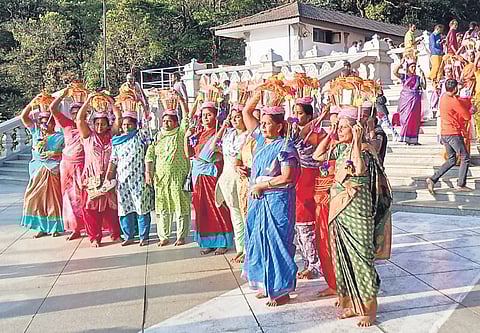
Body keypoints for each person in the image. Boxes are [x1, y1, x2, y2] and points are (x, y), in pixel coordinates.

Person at [312, 106, 392, 328]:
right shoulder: (339, 149)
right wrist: (330, 135)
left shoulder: (365, 150)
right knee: (343, 257)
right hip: (340, 209)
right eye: (337, 127)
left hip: (358, 210)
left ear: (355, 129)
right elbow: (317, 155)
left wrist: (357, 140)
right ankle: (349, 303)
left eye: (342, 128)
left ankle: (369, 309)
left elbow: (357, 170)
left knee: (362, 259)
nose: (338, 131)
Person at [241, 90, 299, 307]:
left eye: (267, 123)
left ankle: (281, 290)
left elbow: (287, 177)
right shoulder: (260, 140)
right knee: (258, 240)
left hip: (277, 201)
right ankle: (265, 283)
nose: (264, 127)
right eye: (262, 123)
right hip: (257, 200)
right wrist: (258, 92)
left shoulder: (286, 147)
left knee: (277, 243)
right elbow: (247, 111)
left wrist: (262, 185)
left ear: (280, 126)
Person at [185, 100, 233, 255]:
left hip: (212, 174)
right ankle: (207, 241)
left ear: (216, 116)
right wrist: (186, 138)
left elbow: (220, 153)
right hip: (198, 175)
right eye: (203, 115)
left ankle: (223, 241)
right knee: (201, 209)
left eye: (209, 114)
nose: (206, 118)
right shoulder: (198, 134)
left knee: (217, 206)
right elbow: (190, 155)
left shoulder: (222, 132)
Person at [145, 93, 192, 247]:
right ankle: (163, 237)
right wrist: (148, 173)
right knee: (162, 207)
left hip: (178, 177)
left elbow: (187, 119)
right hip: (161, 178)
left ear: (175, 122)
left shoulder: (180, 134)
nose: (165, 123)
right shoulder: (158, 136)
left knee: (180, 206)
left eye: (169, 121)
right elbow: (149, 155)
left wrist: (181, 102)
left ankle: (181, 236)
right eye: (164, 121)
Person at [77, 93, 122, 247]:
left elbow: (118, 117)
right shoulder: (88, 136)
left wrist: (110, 101)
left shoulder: (112, 136)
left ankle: (115, 234)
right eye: (96, 124)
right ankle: (94, 237)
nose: (99, 127)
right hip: (92, 178)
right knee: (91, 210)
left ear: (108, 124)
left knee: (112, 208)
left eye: (103, 124)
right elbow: (79, 119)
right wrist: (88, 101)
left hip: (109, 177)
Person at [107, 111, 154, 247]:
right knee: (124, 208)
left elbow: (149, 151)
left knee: (141, 207)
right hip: (123, 181)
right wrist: (108, 176)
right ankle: (128, 236)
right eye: (124, 124)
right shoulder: (117, 141)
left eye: (129, 124)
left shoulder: (141, 136)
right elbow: (113, 160)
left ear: (135, 125)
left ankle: (143, 237)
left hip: (139, 179)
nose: (126, 127)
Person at [20, 95, 65, 238]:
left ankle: (55, 227)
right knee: (34, 198)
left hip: (52, 170)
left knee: (53, 200)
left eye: (47, 122)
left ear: (53, 123)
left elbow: (67, 151)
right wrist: (32, 103)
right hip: (37, 169)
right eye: (42, 122)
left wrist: (55, 152)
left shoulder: (60, 136)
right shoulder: (36, 132)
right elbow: (23, 117)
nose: (44, 125)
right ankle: (40, 226)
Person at [291, 97, 322, 280]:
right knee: (299, 227)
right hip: (297, 180)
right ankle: (306, 263)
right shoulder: (295, 132)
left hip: (310, 180)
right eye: (295, 113)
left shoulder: (317, 133)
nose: (296, 116)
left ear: (310, 116)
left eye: (300, 113)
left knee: (307, 226)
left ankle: (314, 265)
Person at [213, 106, 249, 263]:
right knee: (235, 216)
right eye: (232, 117)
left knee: (245, 214)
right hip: (228, 179)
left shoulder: (250, 136)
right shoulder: (229, 136)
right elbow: (213, 147)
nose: (235, 120)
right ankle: (240, 248)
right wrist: (223, 126)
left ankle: (248, 250)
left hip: (242, 179)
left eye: (238, 117)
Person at [49, 89, 86, 240]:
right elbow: (52, 109)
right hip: (67, 166)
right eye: (73, 112)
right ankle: (74, 229)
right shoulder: (66, 124)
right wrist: (63, 95)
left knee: (83, 197)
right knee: (68, 198)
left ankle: (89, 226)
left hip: (82, 165)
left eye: (79, 112)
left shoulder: (88, 125)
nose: (76, 115)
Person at [427, 79, 473, 193]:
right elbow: (467, 116)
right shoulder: (454, 101)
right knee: (465, 157)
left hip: (444, 133)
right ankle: (461, 184)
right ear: (455, 88)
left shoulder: (443, 98)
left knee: (452, 160)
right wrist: (472, 110)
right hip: (453, 133)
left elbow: (459, 100)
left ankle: (433, 179)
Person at [393, 58, 426, 145]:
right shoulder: (405, 76)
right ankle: (404, 137)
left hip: (416, 101)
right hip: (406, 100)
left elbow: (424, 86)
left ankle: (413, 139)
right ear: (408, 68)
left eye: (415, 67)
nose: (414, 68)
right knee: (407, 118)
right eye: (412, 67)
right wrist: (400, 64)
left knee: (415, 120)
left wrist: (424, 76)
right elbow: (395, 72)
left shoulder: (418, 78)